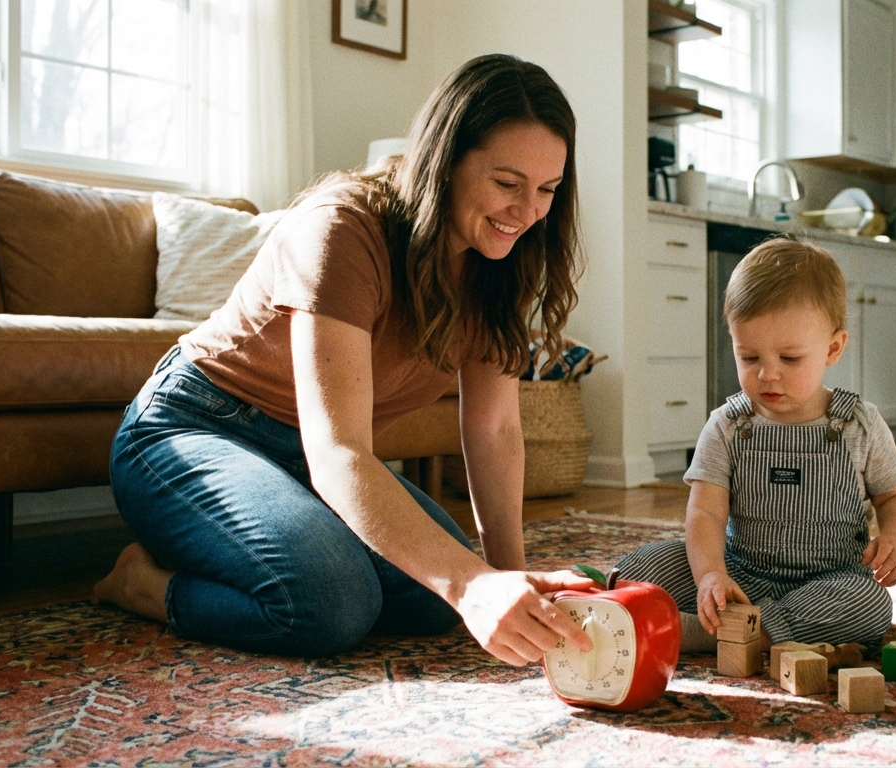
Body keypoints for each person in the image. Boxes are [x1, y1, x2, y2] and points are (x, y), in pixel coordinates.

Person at [93, 54, 597, 663]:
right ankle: (143, 584)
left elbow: (495, 429)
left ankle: (270, 543)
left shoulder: (500, 261)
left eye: (547, 190)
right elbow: (338, 454)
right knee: (331, 603)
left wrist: (506, 581)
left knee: (439, 600)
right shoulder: (343, 228)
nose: (527, 212)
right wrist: (473, 584)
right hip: (195, 426)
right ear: (445, 160)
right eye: (507, 184)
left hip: (303, 457)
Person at [615, 238, 896, 652]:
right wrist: (710, 575)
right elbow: (705, 512)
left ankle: (720, 635)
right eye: (749, 357)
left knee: (869, 605)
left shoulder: (858, 424)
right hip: (739, 575)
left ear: (833, 348)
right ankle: (721, 620)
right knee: (645, 564)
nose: (767, 375)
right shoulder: (727, 425)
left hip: (826, 581)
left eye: (789, 359)